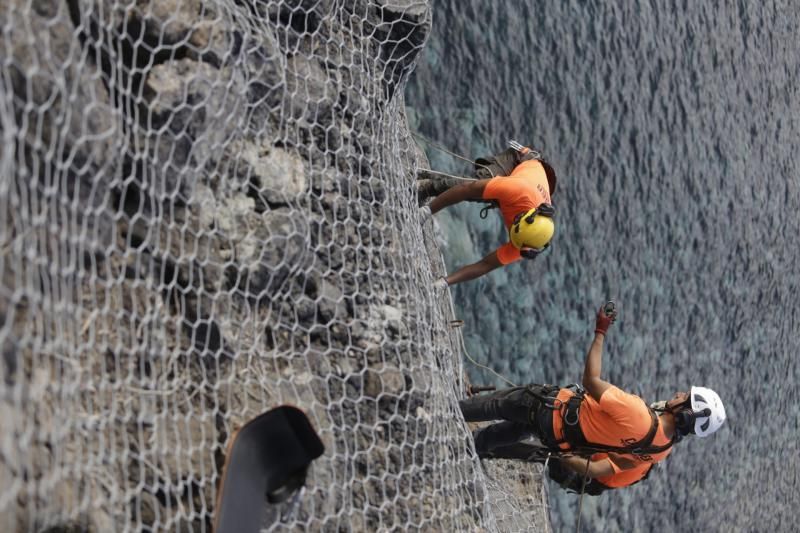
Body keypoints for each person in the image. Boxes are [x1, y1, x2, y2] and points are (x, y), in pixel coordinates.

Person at [458, 301, 727, 486]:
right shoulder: (660, 451)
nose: (680, 393)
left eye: (685, 397)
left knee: (495, 405)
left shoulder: (637, 412)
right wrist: (569, 458)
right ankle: (462, 448)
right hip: (557, 438)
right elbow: (598, 469)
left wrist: (600, 331)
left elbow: (590, 379)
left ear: (687, 412)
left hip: (550, 409)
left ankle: (449, 412)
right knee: (508, 433)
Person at [421, 143, 558, 288]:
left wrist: (445, 282)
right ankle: (426, 185)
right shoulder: (519, 190)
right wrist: (427, 212)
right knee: (461, 185)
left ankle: (428, 187)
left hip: (528, 184)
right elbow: (465, 189)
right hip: (519, 162)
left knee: (479, 193)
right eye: (516, 223)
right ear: (524, 217)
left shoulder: (526, 242)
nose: (512, 227)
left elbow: (485, 265)